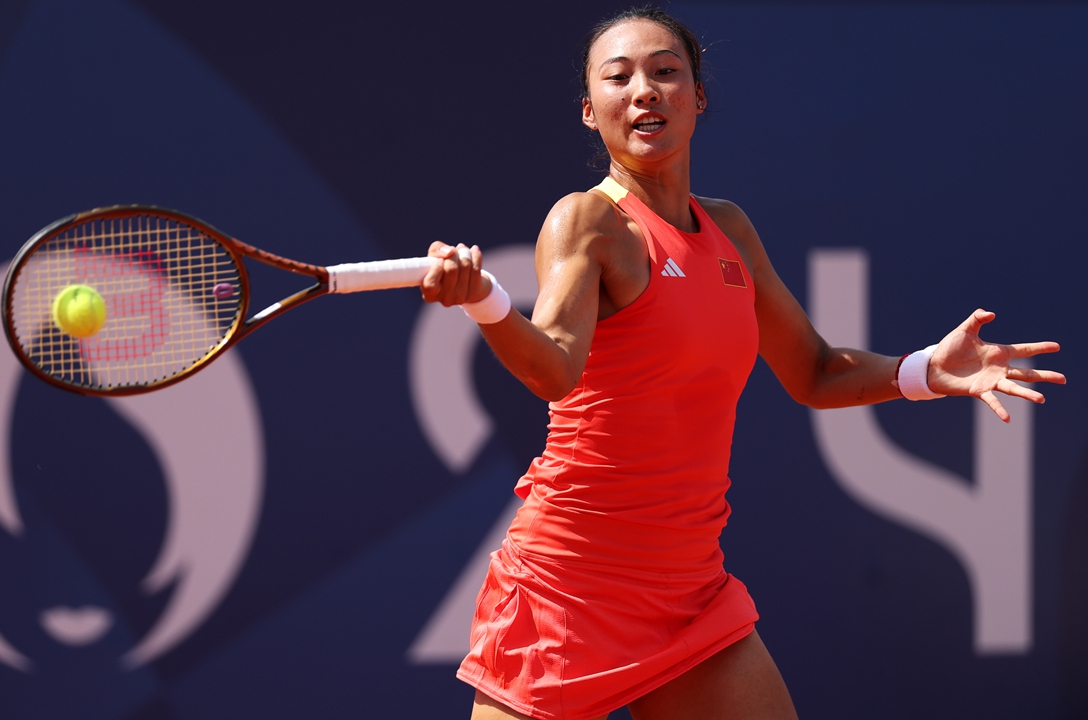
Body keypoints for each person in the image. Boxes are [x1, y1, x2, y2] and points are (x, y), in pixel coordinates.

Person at [419, 8, 1065, 720]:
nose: (645, 91)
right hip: (570, 584)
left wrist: (924, 371)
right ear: (588, 110)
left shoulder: (729, 230)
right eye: (619, 77)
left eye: (666, 72)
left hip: (690, 592)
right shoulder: (588, 222)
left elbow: (814, 371)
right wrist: (484, 300)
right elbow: (554, 370)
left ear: (697, 97)